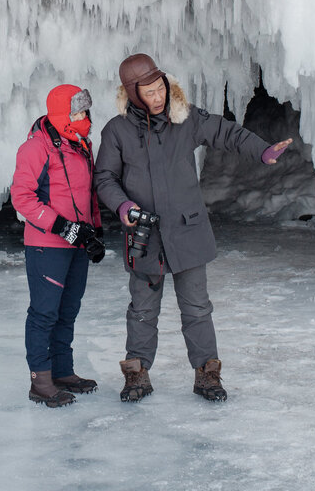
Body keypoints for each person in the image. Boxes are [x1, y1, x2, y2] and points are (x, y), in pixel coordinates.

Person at [94, 53, 292, 403]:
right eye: (149, 92)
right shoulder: (117, 131)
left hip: (188, 231)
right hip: (145, 237)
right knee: (142, 309)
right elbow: (105, 178)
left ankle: (207, 374)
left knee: (197, 307)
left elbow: (227, 132)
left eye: (161, 89)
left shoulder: (185, 119)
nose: (158, 97)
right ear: (132, 94)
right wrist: (123, 206)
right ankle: (137, 374)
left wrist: (263, 151)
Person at [10, 84, 105, 407]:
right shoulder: (36, 148)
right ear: (61, 114)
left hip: (77, 242)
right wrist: (63, 227)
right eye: (76, 112)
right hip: (47, 245)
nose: (83, 118)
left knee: (68, 311)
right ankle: (41, 380)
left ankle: (63, 371)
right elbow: (22, 197)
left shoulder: (81, 144)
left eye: (85, 112)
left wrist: (94, 232)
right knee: (44, 312)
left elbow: (88, 193)